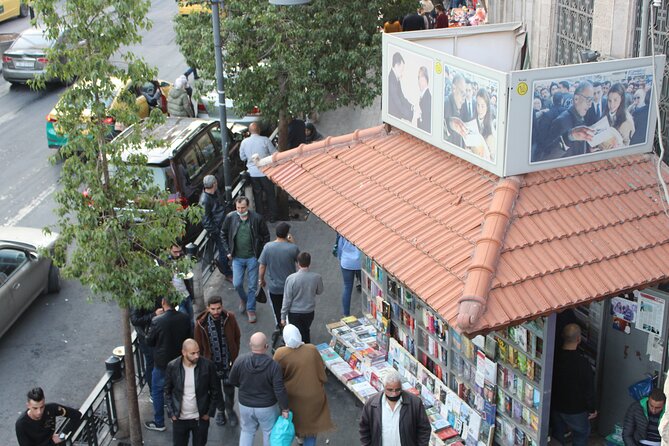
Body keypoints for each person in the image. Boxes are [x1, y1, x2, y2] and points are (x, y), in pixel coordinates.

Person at [273, 325, 334, 446]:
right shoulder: (311, 349)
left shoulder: (280, 354)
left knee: (297, 421)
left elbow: (275, 376)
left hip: (293, 397)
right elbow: (321, 371)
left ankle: (299, 437)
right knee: (311, 428)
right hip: (313, 396)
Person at [228, 332, 290, 446]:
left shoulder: (240, 361)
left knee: (247, 431)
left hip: (245, 405)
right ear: (266, 346)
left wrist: (244, 387)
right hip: (267, 407)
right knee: (268, 432)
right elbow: (279, 389)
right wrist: (285, 408)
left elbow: (232, 380)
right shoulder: (273, 366)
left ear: (250, 344)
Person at [145, 296, 192, 432]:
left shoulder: (157, 321)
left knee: (158, 391)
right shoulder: (184, 318)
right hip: (179, 360)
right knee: (178, 390)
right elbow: (189, 338)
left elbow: (149, 341)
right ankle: (178, 416)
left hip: (162, 363)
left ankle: (159, 422)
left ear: (163, 302)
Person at [221, 196, 270, 323]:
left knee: (253, 286)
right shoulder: (231, 217)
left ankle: (251, 309)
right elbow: (223, 234)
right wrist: (228, 251)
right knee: (237, 283)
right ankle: (245, 298)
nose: (240, 210)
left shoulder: (257, 218)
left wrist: (261, 253)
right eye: (238, 207)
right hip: (237, 257)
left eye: (243, 207)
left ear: (247, 206)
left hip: (253, 257)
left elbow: (266, 236)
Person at [193, 295, 241, 427]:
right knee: (216, 391)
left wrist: (234, 354)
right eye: (213, 309)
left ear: (222, 306)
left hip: (227, 363)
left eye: (218, 308)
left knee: (229, 390)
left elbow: (237, 336)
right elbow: (198, 345)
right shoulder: (200, 324)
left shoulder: (229, 317)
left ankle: (230, 410)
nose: (216, 312)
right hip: (211, 364)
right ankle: (220, 410)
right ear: (208, 308)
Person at [165, 339, 221, 446]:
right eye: (193, 353)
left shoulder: (207, 365)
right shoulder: (173, 366)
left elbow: (215, 390)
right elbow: (167, 391)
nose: (197, 356)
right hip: (180, 419)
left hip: (200, 418)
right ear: (184, 352)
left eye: (198, 352)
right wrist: (172, 413)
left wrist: (209, 413)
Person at [551, 323, 597, 446]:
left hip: (556, 405)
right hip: (576, 409)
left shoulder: (553, 358)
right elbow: (589, 389)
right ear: (578, 339)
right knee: (582, 434)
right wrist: (592, 408)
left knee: (557, 435)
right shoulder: (583, 363)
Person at [359, 370, 431, 446]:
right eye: (390, 390)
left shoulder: (415, 403)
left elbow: (424, 429)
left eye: (397, 390)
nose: (394, 394)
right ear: (384, 387)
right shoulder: (371, 404)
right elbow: (364, 429)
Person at [258, 222, 300, 331]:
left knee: (277, 310)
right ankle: (292, 330)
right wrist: (293, 243)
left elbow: (262, 266)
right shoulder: (292, 248)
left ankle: (281, 328)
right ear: (287, 234)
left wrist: (261, 280)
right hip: (290, 287)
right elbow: (300, 263)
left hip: (274, 288)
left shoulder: (267, 247)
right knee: (291, 309)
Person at [541, 81, 595, 161]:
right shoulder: (561, 121)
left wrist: (589, 150)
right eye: (588, 100)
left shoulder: (582, 117)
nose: (590, 105)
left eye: (592, 100)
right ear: (576, 99)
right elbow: (547, 157)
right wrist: (568, 137)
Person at [239, 122, 278, 223]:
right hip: (265, 172)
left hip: (252, 173)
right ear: (259, 130)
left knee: (257, 195)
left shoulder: (244, 142)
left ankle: (260, 217)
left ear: (249, 131)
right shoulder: (265, 140)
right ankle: (273, 216)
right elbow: (274, 153)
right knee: (270, 194)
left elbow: (242, 157)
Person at [281, 251, 324, 344]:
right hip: (309, 312)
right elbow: (320, 291)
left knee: (295, 335)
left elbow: (287, 299)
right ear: (309, 263)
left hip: (294, 313)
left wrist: (283, 316)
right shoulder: (316, 277)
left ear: (298, 263)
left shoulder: (291, 278)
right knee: (305, 330)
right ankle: (307, 348)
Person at [16, 387, 82, 446]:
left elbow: (76, 415)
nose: (39, 412)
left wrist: (62, 435)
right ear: (28, 406)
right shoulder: (21, 424)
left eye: (42, 407)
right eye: (35, 408)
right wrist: (51, 442)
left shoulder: (51, 409)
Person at [199, 175, 233, 280]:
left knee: (227, 248)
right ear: (214, 184)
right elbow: (206, 221)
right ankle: (226, 272)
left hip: (223, 225)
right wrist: (217, 231)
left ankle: (224, 267)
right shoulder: (205, 200)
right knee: (224, 251)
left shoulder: (214, 194)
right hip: (219, 230)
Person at [130, 296, 164, 394]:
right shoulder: (138, 297)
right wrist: (154, 314)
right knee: (152, 363)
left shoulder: (155, 291)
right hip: (147, 337)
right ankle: (153, 391)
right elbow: (135, 320)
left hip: (155, 332)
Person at [597, 82, 635, 149]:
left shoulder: (627, 121)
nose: (611, 105)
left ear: (621, 100)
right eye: (609, 101)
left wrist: (618, 146)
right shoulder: (605, 113)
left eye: (615, 100)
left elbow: (628, 145)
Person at [169, 242, 194, 329]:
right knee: (184, 323)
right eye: (175, 252)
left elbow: (189, 274)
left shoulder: (183, 257)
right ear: (169, 249)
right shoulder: (164, 262)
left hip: (186, 294)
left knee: (191, 321)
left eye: (179, 251)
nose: (178, 254)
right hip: (176, 298)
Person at [336, 234, 361, 317]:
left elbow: (339, 248)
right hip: (360, 263)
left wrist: (341, 258)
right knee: (366, 288)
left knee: (347, 287)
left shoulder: (344, 233)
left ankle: (346, 314)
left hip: (346, 263)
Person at [443, 73, 469, 148]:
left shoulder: (459, 107)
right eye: (462, 94)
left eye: (465, 96)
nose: (464, 100)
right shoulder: (445, 105)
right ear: (454, 88)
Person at [388, 52, 415, 122]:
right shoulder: (391, 81)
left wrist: (410, 106)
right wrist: (411, 116)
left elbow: (401, 97)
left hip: (397, 114)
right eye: (402, 70)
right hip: (394, 118)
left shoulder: (396, 78)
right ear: (397, 66)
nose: (402, 73)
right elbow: (399, 104)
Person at [472, 88, 496, 161]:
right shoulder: (472, 121)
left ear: (487, 107)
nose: (480, 109)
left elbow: (493, 158)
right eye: (478, 105)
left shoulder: (491, 131)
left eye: (482, 106)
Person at [416, 66, 432, 133]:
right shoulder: (423, 95)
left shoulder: (427, 98)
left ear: (426, 80)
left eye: (421, 79)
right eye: (418, 78)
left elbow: (426, 123)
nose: (419, 82)